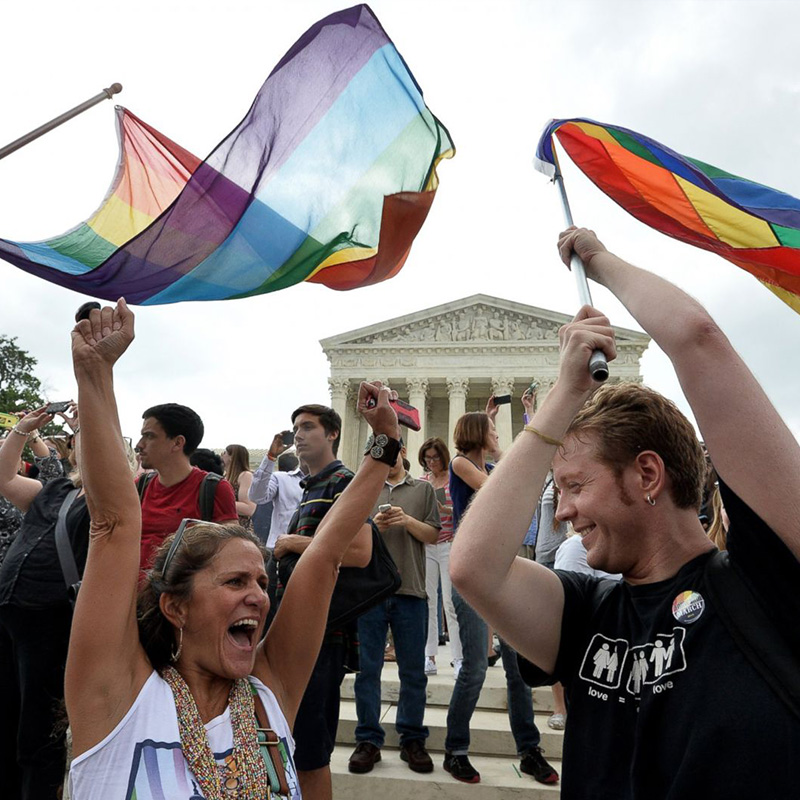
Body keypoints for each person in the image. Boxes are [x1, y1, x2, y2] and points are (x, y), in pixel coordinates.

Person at [450, 227, 800, 799]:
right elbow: (472, 568)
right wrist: (563, 397)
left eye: (574, 485)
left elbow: (698, 339)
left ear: (647, 475)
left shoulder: (769, 584)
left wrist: (597, 259)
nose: (562, 512)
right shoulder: (587, 613)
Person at [64, 299, 402, 799]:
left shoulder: (270, 694)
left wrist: (386, 441)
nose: (260, 596)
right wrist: (95, 374)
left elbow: (325, 557)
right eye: (236, 581)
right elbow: (114, 524)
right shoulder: (117, 698)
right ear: (175, 606)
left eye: (261, 582)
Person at [444, 405, 557, 785]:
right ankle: (456, 750)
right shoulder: (460, 464)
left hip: (504, 572)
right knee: (475, 667)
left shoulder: (491, 467)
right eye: (492, 430)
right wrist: (496, 452)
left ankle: (529, 750)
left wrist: (495, 439)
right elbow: (498, 488)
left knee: (518, 670)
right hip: (472, 571)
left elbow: (514, 478)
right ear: (477, 434)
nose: (497, 435)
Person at [274, 404, 373, 800]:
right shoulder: (312, 486)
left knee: (311, 754)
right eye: (295, 428)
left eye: (308, 427)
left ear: (332, 433)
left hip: (321, 634)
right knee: (295, 747)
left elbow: (360, 552)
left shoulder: (342, 481)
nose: (298, 435)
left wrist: (292, 542)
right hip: (298, 631)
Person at [0, 406, 87, 799]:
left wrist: (89, 422)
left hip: (51, 622)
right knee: (10, 713)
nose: (80, 444)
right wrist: (21, 429)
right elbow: (4, 477)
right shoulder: (56, 491)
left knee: (37, 727)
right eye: (77, 439)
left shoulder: (112, 499)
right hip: (13, 616)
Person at [349, 441, 440, 775]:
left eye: (391, 454)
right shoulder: (362, 490)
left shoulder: (423, 490)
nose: (386, 460)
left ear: (402, 453)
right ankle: (368, 740)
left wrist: (406, 521)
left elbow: (433, 535)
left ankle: (412, 738)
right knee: (367, 672)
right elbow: (348, 536)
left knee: (413, 672)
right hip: (369, 592)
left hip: (411, 589)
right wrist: (374, 526)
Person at [135, 403, 237, 569]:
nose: (140, 444)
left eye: (149, 436)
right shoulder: (140, 486)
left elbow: (231, 553)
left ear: (177, 443)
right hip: (131, 585)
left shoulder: (214, 489)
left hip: (179, 585)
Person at [249, 436, 306, 629]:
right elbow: (256, 495)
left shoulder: (334, 481)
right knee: (272, 615)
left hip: (312, 552)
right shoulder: (282, 478)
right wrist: (270, 458)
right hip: (280, 554)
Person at [417, 437, 462, 677]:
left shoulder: (454, 478)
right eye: (427, 458)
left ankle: (458, 658)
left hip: (449, 543)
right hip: (427, 545)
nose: (431, 462)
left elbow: (465, 510)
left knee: (450, 603)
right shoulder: (423, 481)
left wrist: (445, 509)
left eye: (435, 457)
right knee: (428, 602)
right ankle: (429, 656)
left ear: (443, 457)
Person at [222, 444, 257, 529]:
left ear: (232, 457)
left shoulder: (245, 475)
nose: (221, 455)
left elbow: (249, 508)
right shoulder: (224, 476)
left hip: (240, 529)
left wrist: (220, 502)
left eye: (225, 452)